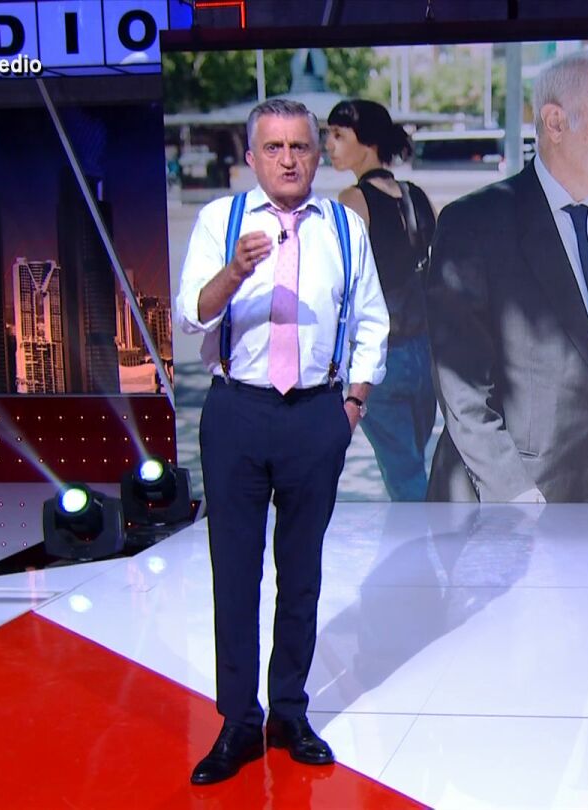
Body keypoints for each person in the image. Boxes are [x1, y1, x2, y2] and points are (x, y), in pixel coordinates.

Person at [174, 98, 388, 785]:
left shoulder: (345, 227)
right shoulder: (221, 221)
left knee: (301, 575)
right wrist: (235, 271)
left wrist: (352, 404)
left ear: (317, 156)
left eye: (300, 146)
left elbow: (373, 321)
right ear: (251, 157)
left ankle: (289, 712)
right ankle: (238, 721)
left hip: (316, 415)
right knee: (235, 575)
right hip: (237, 412)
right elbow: (191, 313)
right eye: (274, 147)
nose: (288, 159)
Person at [425, 50, 588, 504]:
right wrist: (513, 492)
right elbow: (462, 387)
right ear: (555, 123)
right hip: (512, 500)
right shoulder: (475, 224)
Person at [326, 99, 438, 502]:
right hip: (426, 354)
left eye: (338, 135)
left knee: (405, 478)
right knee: (413, 467)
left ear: (368, 141)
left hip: (383, 355)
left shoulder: (353, 199)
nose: (329, 145)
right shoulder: (417, 195)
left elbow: (341, 282)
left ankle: (428, 542)